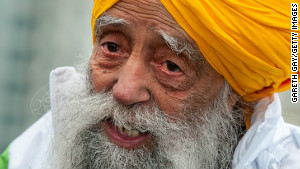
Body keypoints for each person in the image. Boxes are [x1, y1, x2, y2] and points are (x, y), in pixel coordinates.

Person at [1, 0, 299, 169]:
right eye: (112, 48)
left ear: (235, 93)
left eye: (171, 66)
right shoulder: (32, 153)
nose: (124, 91)